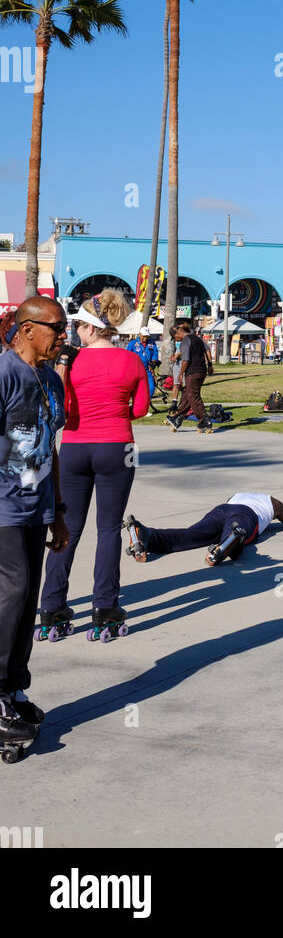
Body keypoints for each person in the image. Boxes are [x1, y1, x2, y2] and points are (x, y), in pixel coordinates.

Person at [39, 290, 150, 640]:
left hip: (74, 446)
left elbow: (62, 408)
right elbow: (141, 409)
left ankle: (52, 606)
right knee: (108, 529)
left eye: (77, 325)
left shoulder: (71, 362)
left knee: (66, 528)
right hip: (118, 446)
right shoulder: (132, 361)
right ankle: (104, 606)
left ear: (88, 328)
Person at [0, 297, 69, 750]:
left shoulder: (50, 379)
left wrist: (58, 513)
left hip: (35, 507)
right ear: (26, 329)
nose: (63, 337)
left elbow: (51, 448)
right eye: (55, 329)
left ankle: (13, 689)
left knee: (27, 604)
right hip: (2, 509)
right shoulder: (4, 374)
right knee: (14, 592)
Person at [123, 493, 283, 566]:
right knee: (239, 531)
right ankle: (228, 543)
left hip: (222, 509)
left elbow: (229, 508)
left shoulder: (238, 495)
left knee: (192, 534)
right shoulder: (273, 503)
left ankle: (147, 534)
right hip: (246, 515)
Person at [165, 321, 214, 434]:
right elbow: (206, 351)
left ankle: (204, 420)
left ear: (177, 333)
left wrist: (181, 373)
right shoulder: (197, 338)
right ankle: (178, 418)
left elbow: (185, 360)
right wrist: (210, 365)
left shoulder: (185, 341)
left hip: (192, 371)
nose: (176, 340)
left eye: (175, 337)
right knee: (188, 394)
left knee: (193, 396)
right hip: (201, 370)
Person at [126, 325, 160, 405]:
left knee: (151, 388)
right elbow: (127, 354)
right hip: (135, 369)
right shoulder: (133, 343)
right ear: (140, 334)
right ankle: (136, 403)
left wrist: (154, 361)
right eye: (144, 336)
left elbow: (155, 352)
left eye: (147, 336)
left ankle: (143, 404)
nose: (145, 338)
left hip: (147, 369)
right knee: (134, 387)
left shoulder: (152, 342)